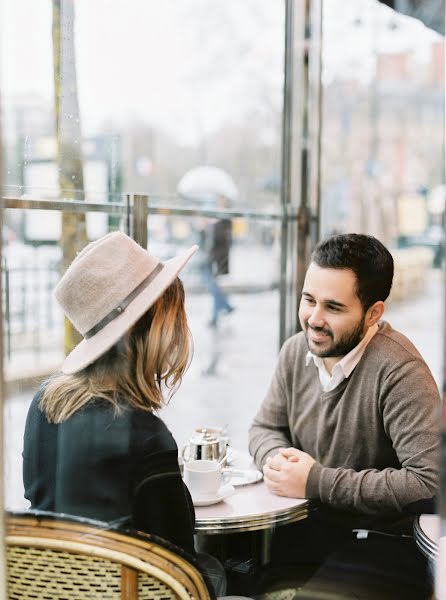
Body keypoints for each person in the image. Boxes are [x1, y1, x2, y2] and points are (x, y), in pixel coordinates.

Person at [22, 231, 226, 595]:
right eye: (177, 316)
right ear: (154, 329)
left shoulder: (43, 405)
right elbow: (177, 566)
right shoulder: (146, 439)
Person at [249, 233, 440, 598]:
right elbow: (264, 426)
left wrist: (315, 481)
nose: (313, 319)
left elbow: (427, 483)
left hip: (383, 546)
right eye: (308, 300)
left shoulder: (401, 372)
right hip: (306, 534)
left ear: (373, 313)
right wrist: (278, 461)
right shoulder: (295, 352)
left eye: (333, 308)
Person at [201, 197, 235, 328]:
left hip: (217, 258)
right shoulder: (218, 219)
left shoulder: (225, 220)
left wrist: (211, 226)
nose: (219, 204)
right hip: (212, 257)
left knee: (214, 286)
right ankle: (226, 306)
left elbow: (220, 239)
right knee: (214, 285)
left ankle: (219, 313)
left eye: (221, 202)